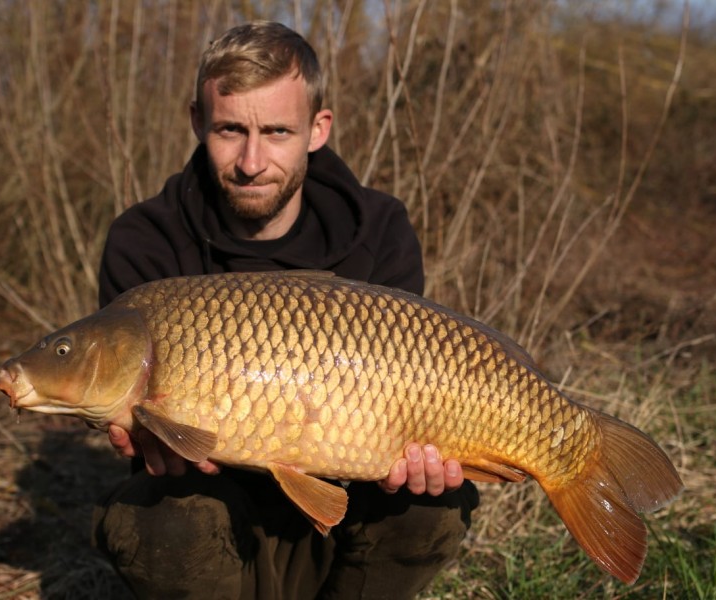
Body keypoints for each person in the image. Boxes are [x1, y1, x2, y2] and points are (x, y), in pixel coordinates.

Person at [92, 21, 479, 599]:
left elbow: (414, 389)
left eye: (276, 131)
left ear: (317, 129)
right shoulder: (145, 241)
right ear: (198, 121)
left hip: (342, 523)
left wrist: (422, 457)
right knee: (159, 520)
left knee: (431, 506)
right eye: (230, 130)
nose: (252, 161)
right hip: (209, 527)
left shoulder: (380, 229)